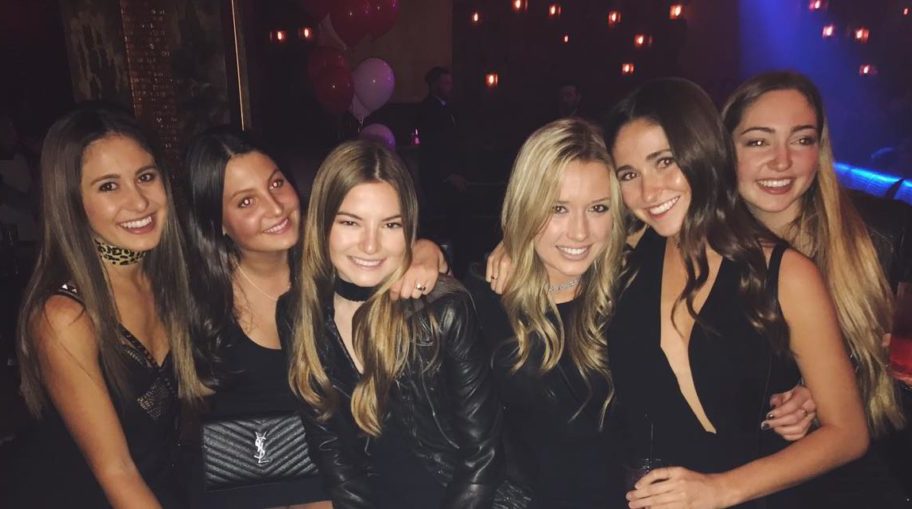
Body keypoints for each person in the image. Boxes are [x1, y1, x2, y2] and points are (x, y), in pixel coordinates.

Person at [604, 78, 867, 508]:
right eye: (629, 174)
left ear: (704, 151)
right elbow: (558, 247)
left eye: (665, 161)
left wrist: (721, 489)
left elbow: (849, 433)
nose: (649, 192)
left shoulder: (786, 274)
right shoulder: (628, 258)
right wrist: (508, 251)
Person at [179, 130, 447, 508]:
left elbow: (391, 240)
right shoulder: (196, 295)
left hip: (329, 471)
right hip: (241, 475)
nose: (275, 208)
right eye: (246, 201)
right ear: (216, 221)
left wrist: (425, 249)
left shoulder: (340, 263)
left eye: (276, 183)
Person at [284, 140, 528, 508]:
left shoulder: (443, 309)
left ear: (408, 228)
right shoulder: (297, 314)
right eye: (350, 222)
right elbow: (333, 456)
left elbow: (481, 458)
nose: (370, 245)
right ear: (322, 223)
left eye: (390, 224)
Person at [721, 70, 911, 506]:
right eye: (758, 141)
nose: (782, 161)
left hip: (882, 477)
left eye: (802, 139)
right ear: (724, 151)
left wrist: (851, 382)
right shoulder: (710, 255)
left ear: (819, 149)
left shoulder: (887, 233)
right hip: (761, 483)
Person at [7, 104, 207, 507]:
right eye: (108, 186)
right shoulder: (64, 317)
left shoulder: (170, 280)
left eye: (145, 177)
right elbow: (118, 472)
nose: (139, 202)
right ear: (72, 202)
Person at [463, 118, 628, 508]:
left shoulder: (633, 289)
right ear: (527, 205)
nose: (579, 232)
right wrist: (423, 255)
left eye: (598, 208)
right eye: (558, 208)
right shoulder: (486, 297)